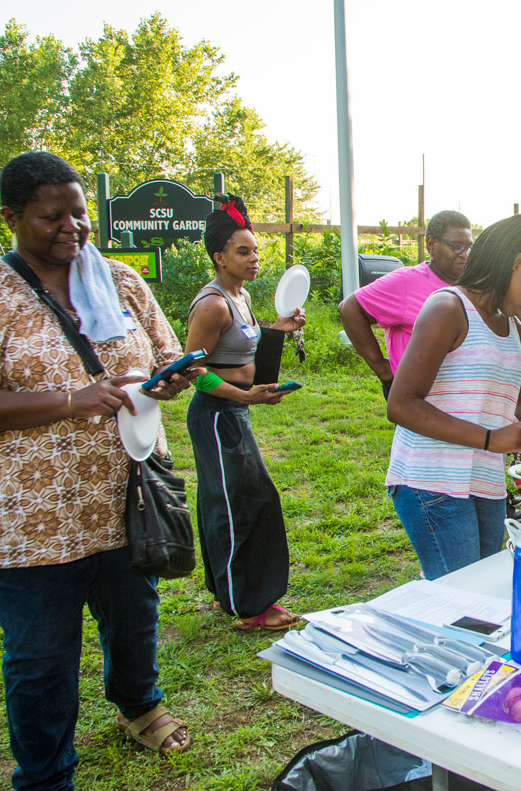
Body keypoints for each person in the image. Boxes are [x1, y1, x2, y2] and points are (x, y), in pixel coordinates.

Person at [0, 151, 194, 788]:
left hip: (125, 495)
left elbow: (162, 357)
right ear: (14, 216)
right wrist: (69, 401)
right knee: (41, 656)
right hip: (28, 520)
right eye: (52, 218)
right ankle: (47, 776)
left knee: (134, 621)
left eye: (79, 214)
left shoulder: (122, 281)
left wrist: (169, 379)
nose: (71, 229)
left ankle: (139, 706)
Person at [385, 213, 521, 579]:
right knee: (460, 594)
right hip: (433, 480)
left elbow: (508, 410)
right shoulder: (449, 308)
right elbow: (401, 404)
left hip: (484, 482)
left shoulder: (514, 327)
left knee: (479, 586)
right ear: (518, 262)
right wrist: (490, 438)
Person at [184, 195, 306, 631]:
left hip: (233, 412)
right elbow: (193, 372)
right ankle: (251, 607)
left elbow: (242, 352)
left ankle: (228, 593)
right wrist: (243, 398)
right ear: (219, 257)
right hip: (217, 414)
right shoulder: (213, 304)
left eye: (255, 250)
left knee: (226, 501)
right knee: (243, 504)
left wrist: (278, 331)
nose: (254, 258)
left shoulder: (242, 296)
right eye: (243, 251)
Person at [338, 210, 472, 398]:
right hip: (415, 398)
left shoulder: (469, 284)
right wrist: (382, 368)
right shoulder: (406, 282)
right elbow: (350, 308)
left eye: (468, 247)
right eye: (457, 246)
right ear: (431, 244)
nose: (465, 255)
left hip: (457, 397)